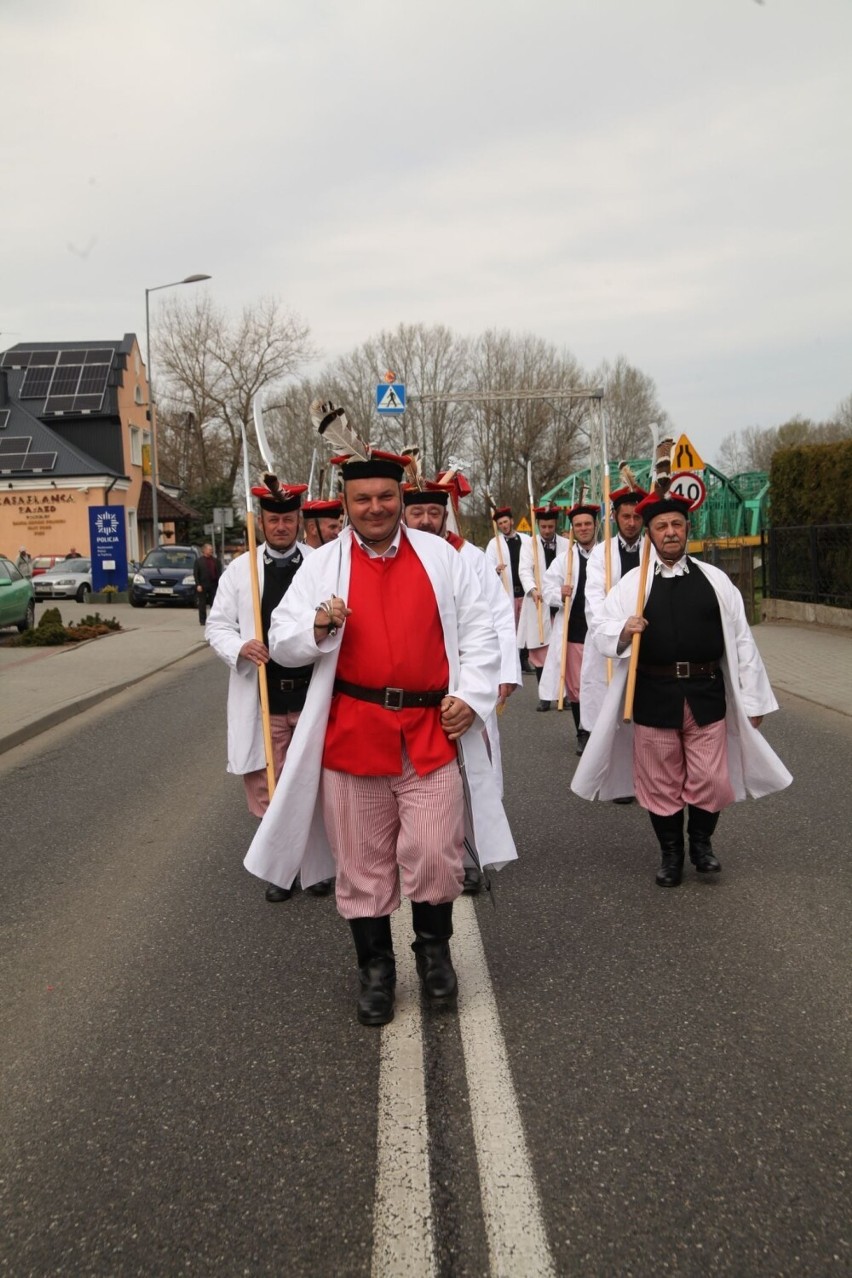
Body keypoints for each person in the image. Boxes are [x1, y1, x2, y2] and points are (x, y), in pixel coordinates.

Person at [243, 448, 517, 1027]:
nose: (376, 508)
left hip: (428, 730)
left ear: (401, 497)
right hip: (354, 735)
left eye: (386, 497)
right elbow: (283, 635)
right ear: (345, 503)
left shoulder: (441, 557)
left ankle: (434, 954)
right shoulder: (322, 567)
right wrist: (317, 626)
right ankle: (375, 971)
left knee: (437, 850)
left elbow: (480, 632)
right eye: (363, 499)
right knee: (362, 862)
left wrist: (470, 695)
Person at [571, 490, 792, 886]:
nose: (670, 532)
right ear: (651, 534)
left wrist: (755, 698)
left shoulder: (716, 580)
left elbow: (742, 641)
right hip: (654, 696)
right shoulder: (632, 584)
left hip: (706, 695)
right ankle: (671, 854)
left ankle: (702, 844)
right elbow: (600, 628)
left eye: (676, 525)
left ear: (686, 529)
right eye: (662, 527)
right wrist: (624, 629)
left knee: (711, 777)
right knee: (660, 781)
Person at [206, 482, 332, 902]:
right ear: (260, 522)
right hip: (264, 698)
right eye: (273, 519)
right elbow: (217, 625)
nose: (281, 526)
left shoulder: (321, 564)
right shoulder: (240, 571)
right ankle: (281, 869)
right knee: (271, 785)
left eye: (288, 519)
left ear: (300, 521)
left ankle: (317, 868)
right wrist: (239, 646)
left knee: (314, 782)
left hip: (313, 694)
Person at [402, 480, 522, 892]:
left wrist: (503, 672)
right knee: (423, 777)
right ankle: (424, 851)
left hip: (470, 683)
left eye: (433, 513)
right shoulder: (397, 558)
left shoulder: (469, 557)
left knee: (472, 769)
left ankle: (469, 853)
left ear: (445, 515)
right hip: (419, 689)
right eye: (417, 513)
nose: (425, 520)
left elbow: (499, 616)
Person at [578, 483, 646, 745]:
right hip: (611, 639)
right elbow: (594, 600)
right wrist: (617, 631)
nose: (631, 523)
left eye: (637, 517)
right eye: (626, 516)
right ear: (615, 517)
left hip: (645, 637)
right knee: (607, 707)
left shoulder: (651, 550)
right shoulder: (600, 553)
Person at [538, 500, 599, 743]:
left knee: (599, 683)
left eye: (587, 524)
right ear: (573, 529)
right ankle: (582, 732)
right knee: (576, 686)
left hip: (598, 635)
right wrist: (559, 593)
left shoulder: (606, 556)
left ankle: (600, 733)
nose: (583, 528)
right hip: (573, 632)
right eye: (578, 525)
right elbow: (546, 588)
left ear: (596, 526)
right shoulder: (565, 560)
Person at [519, 505, 571, 711]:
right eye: (543, 526)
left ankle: (565, 694)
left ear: (555, 524)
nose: (547, 530)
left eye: (550, 526)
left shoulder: (567, 544)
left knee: (561, 651)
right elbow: (524, 570)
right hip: (538, 603)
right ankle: (544, 696)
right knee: (541, 652)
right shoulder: (529, 545)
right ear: (538, 525)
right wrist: (532, 589)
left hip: (560, 604)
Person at [485, 507, 532, 672]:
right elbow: (487, 566)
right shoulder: (494, 544)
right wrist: (495, 569)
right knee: (510, 627)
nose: (504, 525)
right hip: (508, 591)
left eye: (506, 522)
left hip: (525, 592)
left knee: (525, 627)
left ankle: (524, 659)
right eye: (500, 524)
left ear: (512, 521)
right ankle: (511, 662)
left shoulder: (526, 540)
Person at [193, 543, 221, 625]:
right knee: (202, 603)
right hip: (203, 585)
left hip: (214, 584)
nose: (211, 551)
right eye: (209, 549)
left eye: (211, 549)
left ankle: (214, 619)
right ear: (204, 550)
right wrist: (198, 584)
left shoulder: (216, 561)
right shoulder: (198, 561)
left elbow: (219, 572)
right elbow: (196, 573)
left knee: (214, 603)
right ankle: (202, 620)